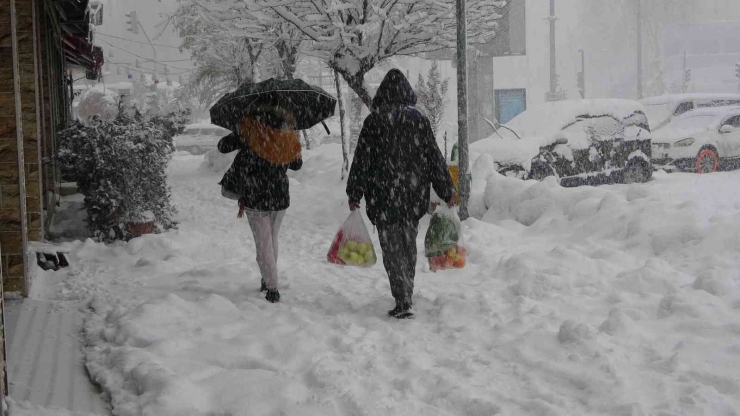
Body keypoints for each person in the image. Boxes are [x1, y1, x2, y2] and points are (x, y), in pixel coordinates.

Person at [346, 69, 456, 319]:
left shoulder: (373, 122)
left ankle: (401, 295)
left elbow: (361, 161)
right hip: (411, 196)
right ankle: (406, 291)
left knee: (391, 249)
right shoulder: (418, 121)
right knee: (408, 245)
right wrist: (446, 190)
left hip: (382, 197)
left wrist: (355, 192)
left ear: (382, 94)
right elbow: (434, 158)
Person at [218, 105, 303, 303]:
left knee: (263, 242)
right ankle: (268, 277)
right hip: (280, 196)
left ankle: (271, 286)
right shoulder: (286, 133)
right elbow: (297, 165)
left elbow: (222, 146)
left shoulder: (249, 129)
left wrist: (240, 130)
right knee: (271, 238)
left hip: (256, 195)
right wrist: (291, 141)